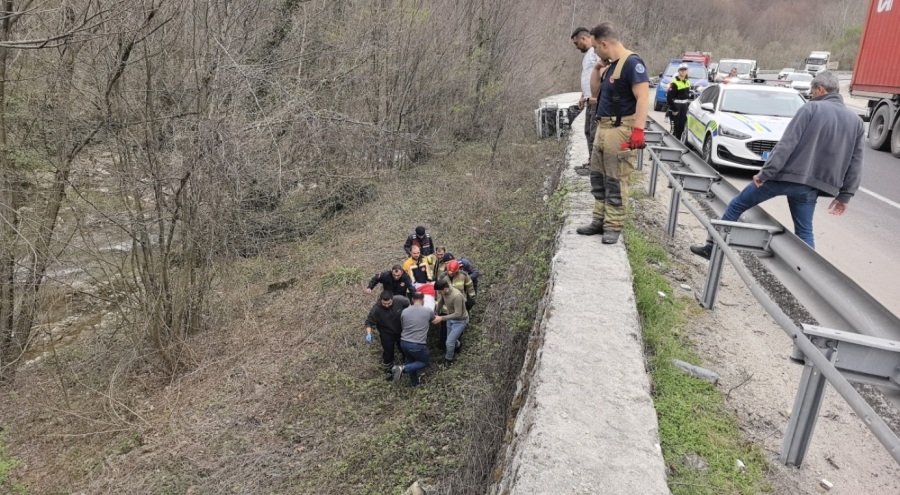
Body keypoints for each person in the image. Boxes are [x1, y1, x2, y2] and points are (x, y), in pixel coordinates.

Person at [690, 71, 863, 258]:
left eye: (812, 93)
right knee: (805, 232)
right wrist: (845, 195)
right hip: (810, 187)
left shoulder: (811, 109)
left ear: (820, 89)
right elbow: (856, 161)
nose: (811, 96)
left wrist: (765, 173)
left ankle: (712, 249)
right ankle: (806, 275)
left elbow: (786, 144)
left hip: (784, 177)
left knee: (737, 205)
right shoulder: (856, 122)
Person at [576, 22, 650, 244]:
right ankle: (599, 220)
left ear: (604, 43)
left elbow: (644, 98)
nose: (595, 51)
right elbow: (596, 91)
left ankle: (613, 225)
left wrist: (638, 130)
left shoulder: (632, 64)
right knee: (598, 178)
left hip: (620, 129)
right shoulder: (612, 65)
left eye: (596, 47)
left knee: (616, 180)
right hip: (604, 127)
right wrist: (598, 69)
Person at [392, 292, 442, 386]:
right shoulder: (427, 311)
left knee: (410, 361)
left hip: (403, 342)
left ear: (412, 300)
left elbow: (403, 325)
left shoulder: (404, 311)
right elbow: (434, 321)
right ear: (423, 300)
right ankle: (403, 369)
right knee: (424, 362)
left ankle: (414, 383)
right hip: (417, 344)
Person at [571, 27, 601, 175]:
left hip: (596, 100)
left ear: (583, 39)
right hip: (590, 99)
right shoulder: (589, 54)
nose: (576, 47)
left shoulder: (595, 52)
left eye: (577, 43)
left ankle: (595, 166)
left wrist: (597, 94)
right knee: (588, 131)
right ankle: (591, 162)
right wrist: (584, 95)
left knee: (594, 133)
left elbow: (602, 71)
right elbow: (589, 76)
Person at [364, 291, 410, 380]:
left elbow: (409, 305)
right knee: (388, 352)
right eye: (384, 303)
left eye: (389, 303)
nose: (386, 305)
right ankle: (389, 370)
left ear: (392, 299)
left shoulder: (400, 300)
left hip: (401, 331)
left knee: (404, 348)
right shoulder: (376, 309)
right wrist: (368, 334)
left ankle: (406, 365)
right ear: (380, 301)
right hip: (387, 333)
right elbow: (368, 323)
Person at [434, 279, 468, 367]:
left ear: (445, 289)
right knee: (451, 340)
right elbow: (441, 301)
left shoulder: (457, 296)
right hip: (450, 318)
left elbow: (458, 314)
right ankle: (458, 345)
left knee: (449, 342)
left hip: (460, 321)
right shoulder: (444, 293)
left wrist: (441, 318)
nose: (439, 293)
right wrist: (436, 312)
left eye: (439, 291)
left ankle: (448, 360)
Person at [667, 63, 692, 140]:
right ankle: (670, 144)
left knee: (681, 127)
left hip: (684, 106)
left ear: (687, 71)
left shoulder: (688, 82)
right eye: (681, 70)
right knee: (674, 128)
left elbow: (688, 94)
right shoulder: (674, 83)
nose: (683, 71)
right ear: (678, 71)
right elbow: (669, 97)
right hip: (676, 105)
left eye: (685, 70)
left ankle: (677, 144)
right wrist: (674, 109)